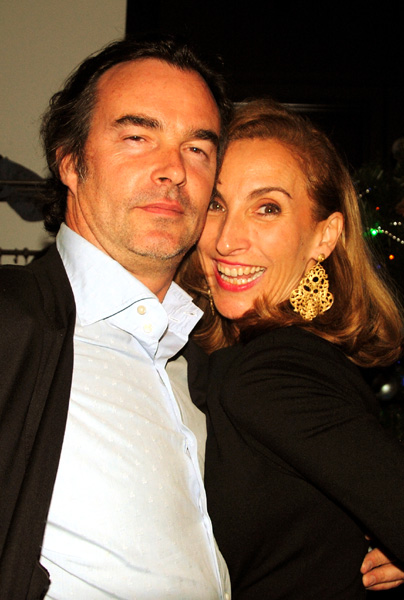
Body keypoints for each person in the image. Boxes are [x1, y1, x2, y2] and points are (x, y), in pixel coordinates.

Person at [0, 35, 233, 599]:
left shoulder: (208, 361)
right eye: (137, 137)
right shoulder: (9, 326)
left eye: (197, 148)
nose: (173, 170)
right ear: (70, 162)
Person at [177, 98, 404, 598]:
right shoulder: (291, 354)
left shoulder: (268, 373)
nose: (227, 240)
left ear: (325, 236)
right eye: (217, 204)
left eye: (267, 208)